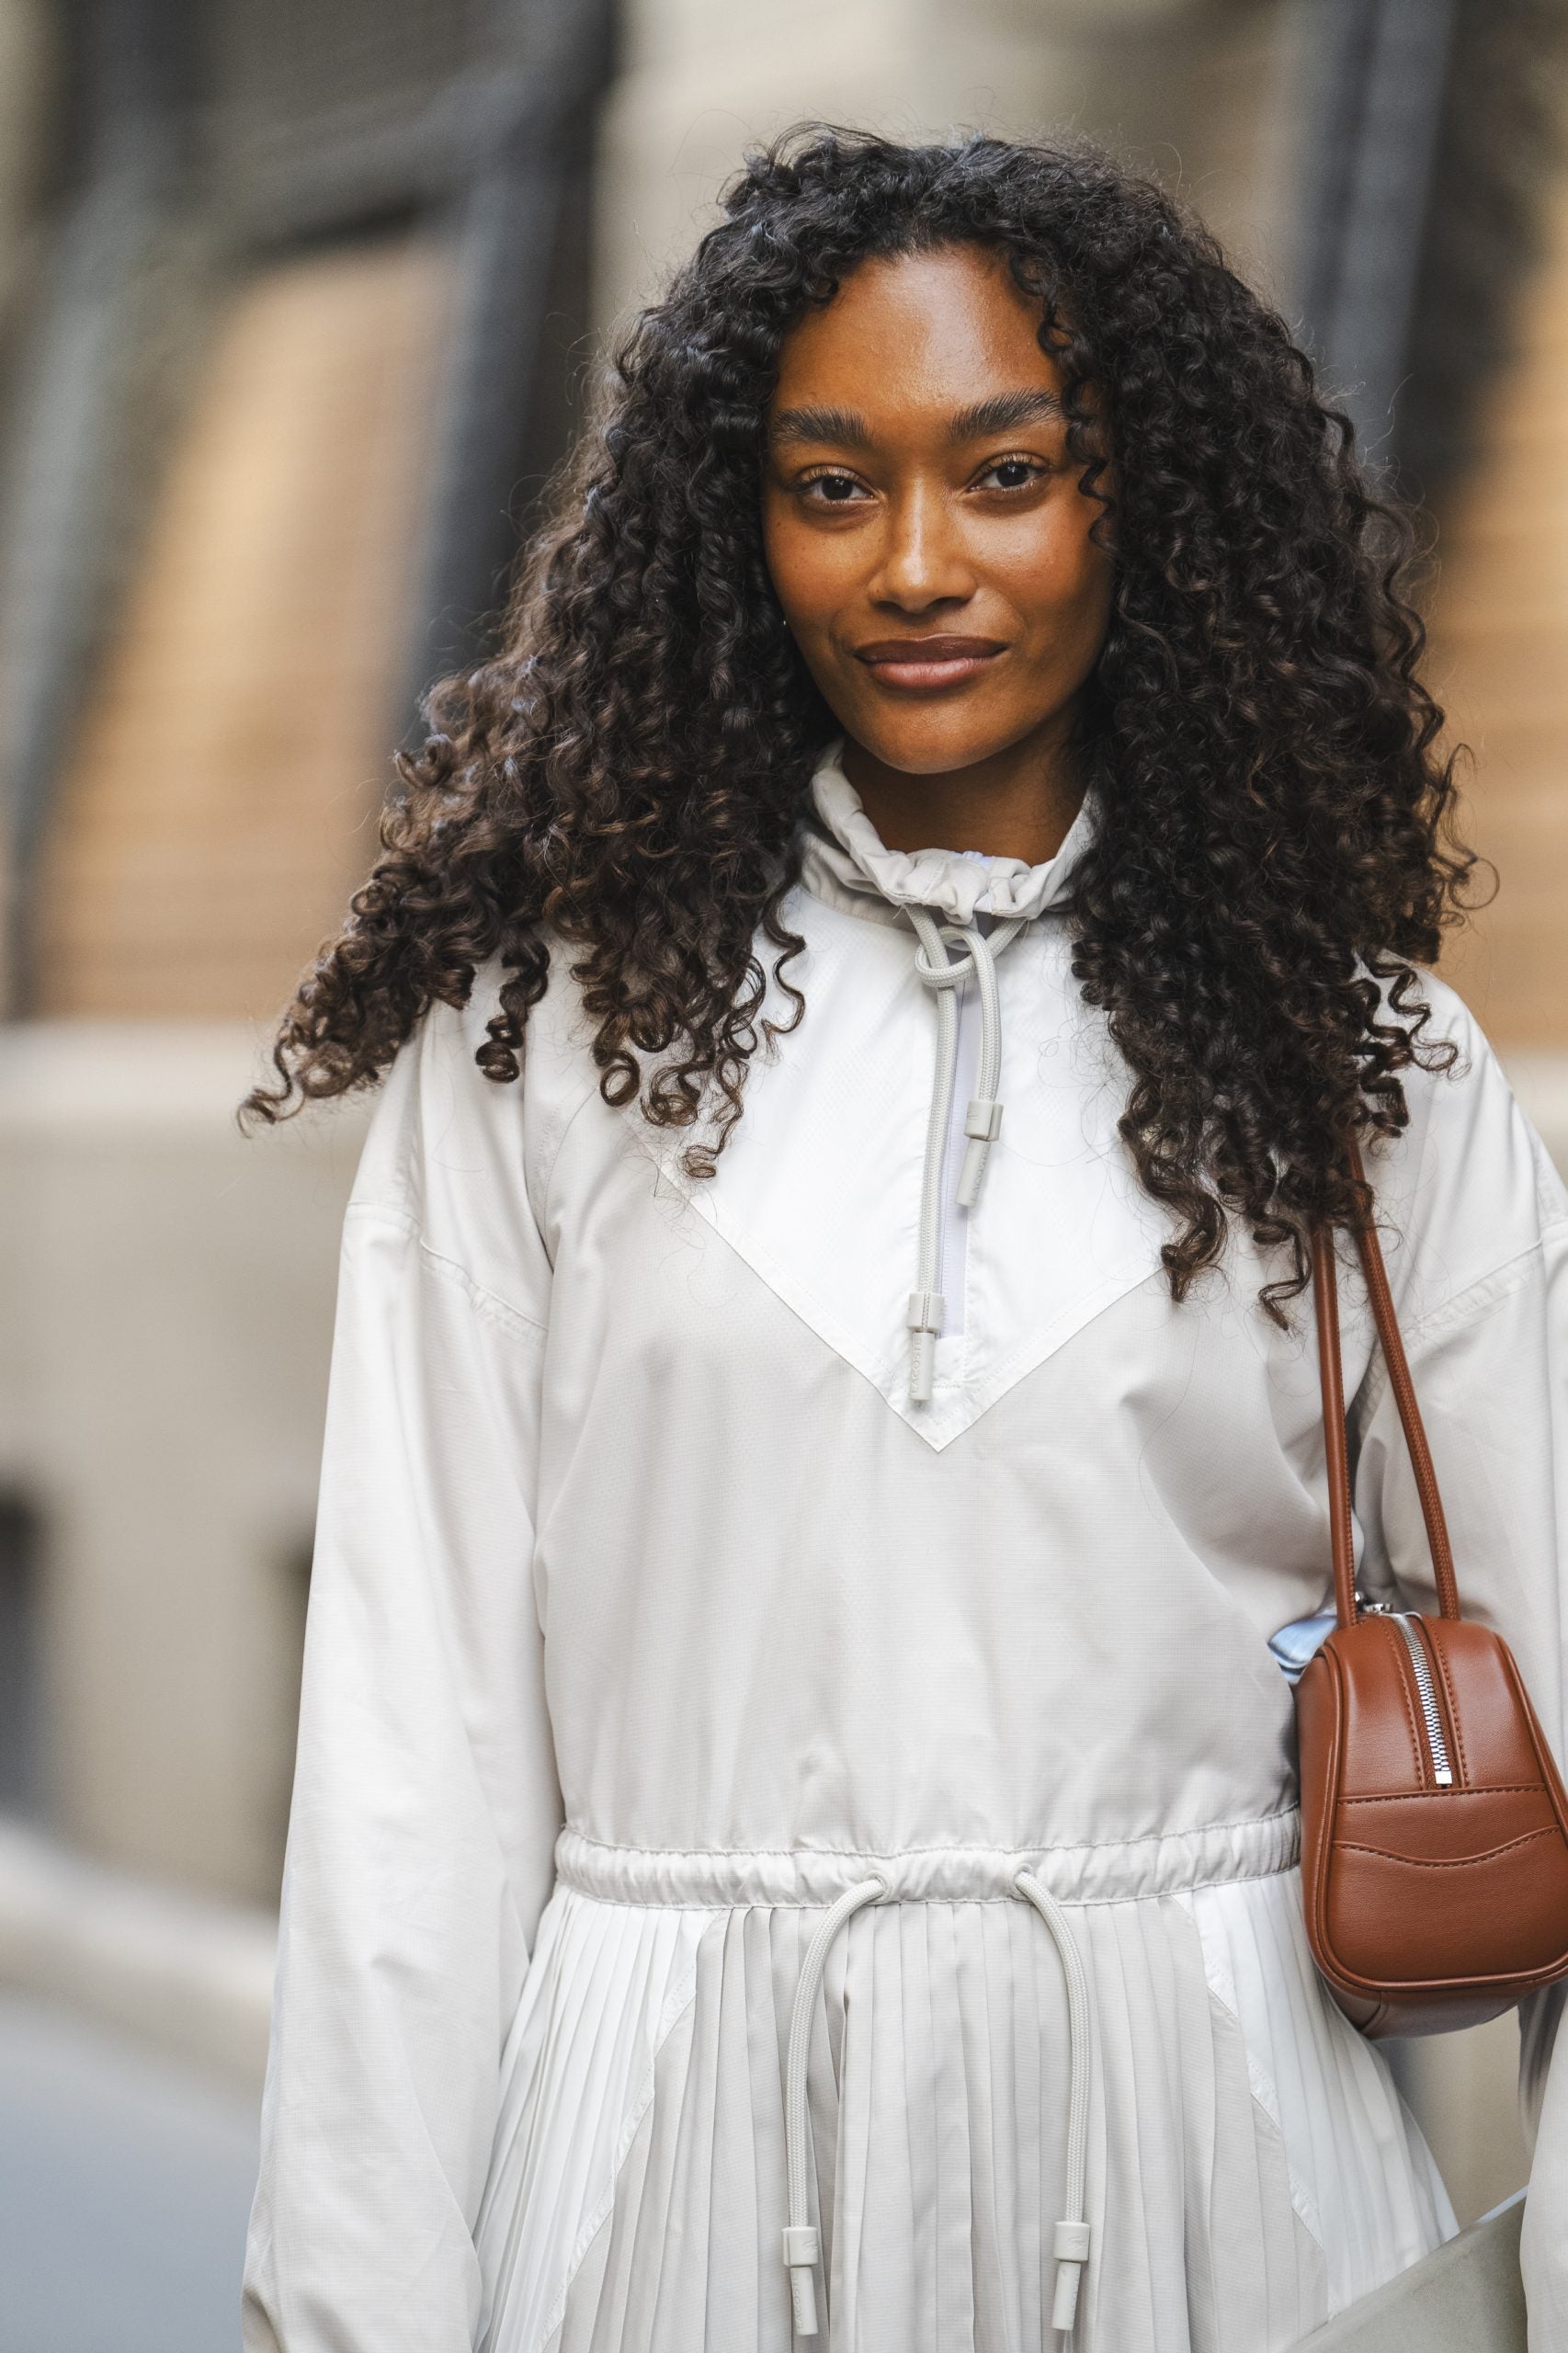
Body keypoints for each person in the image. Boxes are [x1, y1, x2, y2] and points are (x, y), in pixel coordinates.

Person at [237, 129, 1568, 2352]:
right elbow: (412, 1763)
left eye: (1008, 470)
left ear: (1137, 502)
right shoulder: (535, 1057)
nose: (916, 562)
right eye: (832, 483)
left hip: (1214, 2188)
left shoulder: (1368, 1075)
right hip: (663, 2185)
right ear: (733, 528)